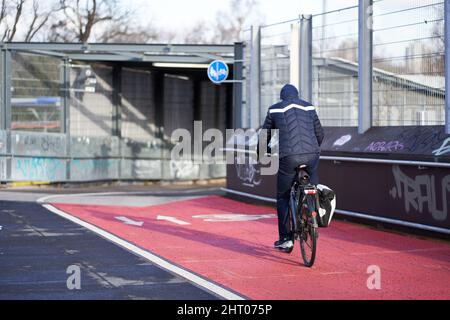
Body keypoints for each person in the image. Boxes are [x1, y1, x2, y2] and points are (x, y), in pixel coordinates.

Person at [259, 84, 324, 253]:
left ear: (282, 96)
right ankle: (314, 213)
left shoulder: (275, 109)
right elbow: (320, 133)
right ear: (297, 95)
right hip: (312, 155)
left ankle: (286, 239)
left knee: (283, 196)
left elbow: (264, 135)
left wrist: (264, 152)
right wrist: (314, 148)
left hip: (288, 157)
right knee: (313, 185)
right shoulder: (309, 106)